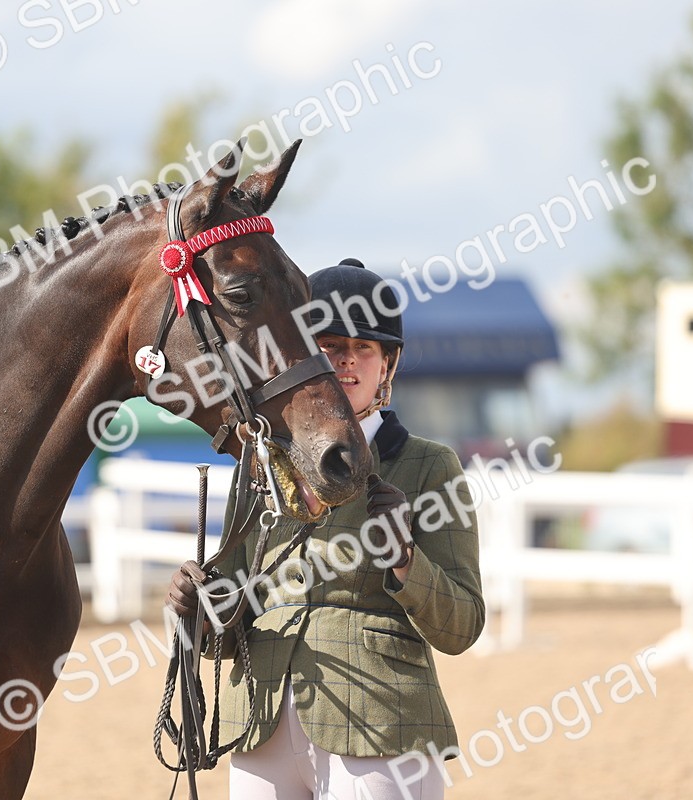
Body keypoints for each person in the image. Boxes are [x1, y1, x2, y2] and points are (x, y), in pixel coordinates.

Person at [167, 258, 485, 800]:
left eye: (363, 348)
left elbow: (462, 626)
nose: (346, 361)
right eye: (330, 346)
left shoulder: (429, 466)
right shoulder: (257, 463)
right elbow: (232, 625)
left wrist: (406, 560)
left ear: (388, 364)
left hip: (379, 717)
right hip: (259, 717)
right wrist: (201, 608)